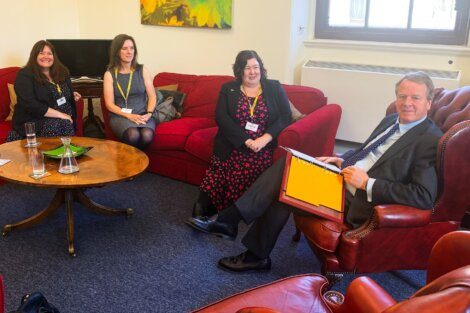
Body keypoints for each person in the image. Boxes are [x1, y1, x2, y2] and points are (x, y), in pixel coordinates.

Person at [187, 71, 443, 272]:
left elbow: (422, 197)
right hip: (343, 180)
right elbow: (370, 152)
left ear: (429, 103)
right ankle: (249, 247)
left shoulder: (429, 140)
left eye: (415, 98)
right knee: (288, 168)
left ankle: (234, 227)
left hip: (358, 201)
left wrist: (368, 183)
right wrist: (342, 159)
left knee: (284, 180)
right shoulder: (391, 120)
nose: (406, 103)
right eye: (401, 96)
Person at [188, 50, 292, 221]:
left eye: (256, 67)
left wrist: (264, 139)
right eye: (247, 68)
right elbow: (221, 117)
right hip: (233, 141)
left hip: (261, 145)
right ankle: (205, 205)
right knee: (219, 167)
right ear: (239, 70)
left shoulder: (274, 87)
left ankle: (231, 212)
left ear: (261, 68)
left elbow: (285, 116)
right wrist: (245, 140)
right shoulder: (228, 89)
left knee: (247, 163)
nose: (253, 72)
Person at [7, 40, 81, 142]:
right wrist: (60, 115)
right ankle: (64, 156)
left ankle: (67, 155)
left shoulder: (62, 71)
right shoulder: (25, 75)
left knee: (65, 124)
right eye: (41, 53)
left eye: (49, 53)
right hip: (36, 120)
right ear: (34, 56)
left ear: (54, 56)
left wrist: (70, 94)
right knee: (63, 124)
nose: (46, 56)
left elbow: (56, 92)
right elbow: (30, 104)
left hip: (63, 118)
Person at [103, 34, 157, 150]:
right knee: (133, 135)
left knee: (147, 135)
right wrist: (129, 115)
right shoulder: (109, 74)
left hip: (143, 114)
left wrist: (149, 113)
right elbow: (109, 104)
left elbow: (152, 96)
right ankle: (132, 166)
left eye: (132, 48)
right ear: (117, 51)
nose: (129, 52)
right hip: (121, 116)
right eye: (125, 48)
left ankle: (137, 165)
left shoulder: (142, 70)